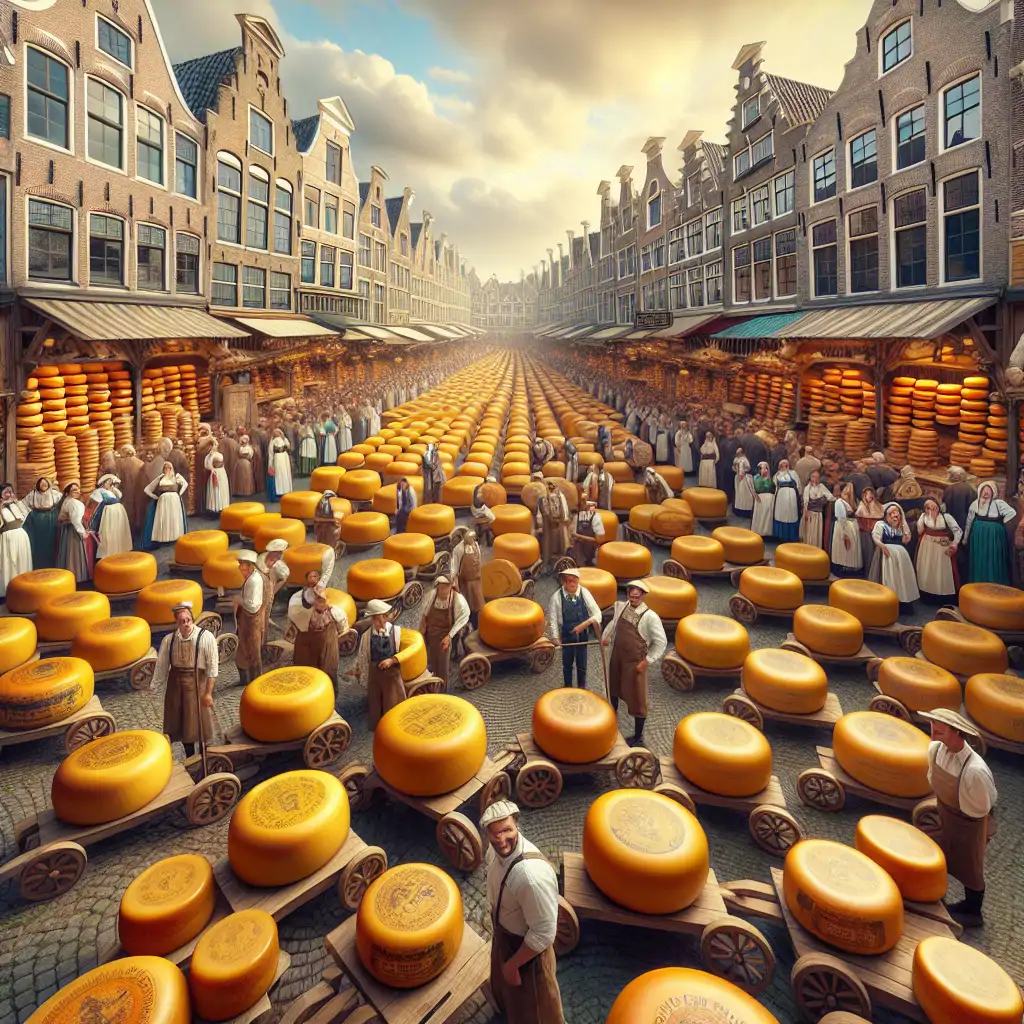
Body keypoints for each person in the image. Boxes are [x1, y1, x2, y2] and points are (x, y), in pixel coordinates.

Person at [481, 800, 564, 1024]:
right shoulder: (494, 850)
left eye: (507, 830)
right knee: (513, 998)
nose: (501, 840)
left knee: (536, 1008)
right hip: (506, 939)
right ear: (487, 833)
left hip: (527, 956)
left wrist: (512, 965)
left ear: (517, 825)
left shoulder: (530, 877)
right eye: (494, 833)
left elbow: (544, 933)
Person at [921, 709, 997, 928]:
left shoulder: (975, 770)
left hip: (970, 824)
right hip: (945, 814)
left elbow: (986, 804)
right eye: (932, 730)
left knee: (970, 865)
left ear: (957, 734)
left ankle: (973, 912)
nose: (933, 737)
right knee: (939, 849)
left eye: (940, 733)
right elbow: (932, 778)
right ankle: (934, 892)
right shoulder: (935, 750)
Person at [152, 601, 220, 760]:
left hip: (198, 685)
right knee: (183, 726)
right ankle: (190, 758)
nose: (186, 624)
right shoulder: (169, 641)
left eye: (188, 620)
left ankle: (205, 755)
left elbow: (212, 668)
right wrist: (154, 685)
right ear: (177, 622)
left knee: (201, 725)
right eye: (182, 621)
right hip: (176, 688)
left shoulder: (205, 638)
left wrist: (208, 693)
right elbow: (162, 665)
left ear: (192, 619)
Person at [602, 580, 667, 745]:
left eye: (637, 597)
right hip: (617, 657)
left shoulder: (650, 617)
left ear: (643, 596)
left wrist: (647, 661)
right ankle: (611, 721)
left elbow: (661, 642)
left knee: (638, 699)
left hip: (635, 663)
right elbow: (614, 623)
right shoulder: (623, 606)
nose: (633, 599)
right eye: (631, 596)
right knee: (614, 688)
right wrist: (606, 637)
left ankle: (638, 737)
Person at [346, 599, 407, 728]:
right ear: (372, 619)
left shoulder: (396, 631)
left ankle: (394, 724)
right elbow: (363, 656)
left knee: (393, 700)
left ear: (386, 617)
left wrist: (393, 661)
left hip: (392, 675)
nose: (380, 622)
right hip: (375, 673)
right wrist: (362, 675)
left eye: (383, 618)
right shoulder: (367, 636)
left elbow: (402, 652)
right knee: (375, 701)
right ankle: (378, 725)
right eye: (376, 619)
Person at [547, 566, 602, 689]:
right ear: (564, 582)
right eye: (569, 580)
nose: (573, 583)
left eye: (575, 580)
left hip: (582, 635)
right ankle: (568, 687)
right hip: (567, 635)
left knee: (582, 664)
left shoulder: (585, 593)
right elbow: (553, 619)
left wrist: (584, 625)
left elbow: (598, 614)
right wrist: (555, 637)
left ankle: (581, 687)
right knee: (567, 664)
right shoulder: (556, 597)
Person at [288, 575, 347, 678]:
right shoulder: (302, 612)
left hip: (327, 648)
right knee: (305, 673)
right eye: (316, 598)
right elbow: (292, 629)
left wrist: (340, 639)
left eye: (321, 599)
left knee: (328, 672)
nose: (318, 602)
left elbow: (344, 630)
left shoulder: (335, 612)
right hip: (307, 648)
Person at [418, 575, 469, 687]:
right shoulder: (432, 595)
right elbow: (424, 614)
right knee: (430, 659)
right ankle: (431, 682)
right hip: (431, 635)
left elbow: (463, 617)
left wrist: (449, 637)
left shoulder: (457, 600)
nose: (441, 591)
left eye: (444, 588)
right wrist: (421, 632)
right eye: (440, 588)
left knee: (442, 664)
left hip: (444, 636)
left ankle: (443, 687)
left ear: (450, 586)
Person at [964, 480, 1016, 585]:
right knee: (980, 557)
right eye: (984, 491)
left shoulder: (999, 503)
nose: (986, 493)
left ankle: (994, 582)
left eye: (988, 491)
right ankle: (979, 582)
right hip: (979, 535)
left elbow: (1012, 512)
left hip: (994, 535)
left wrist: (1002, 523)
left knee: (993, 558)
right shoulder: (975, 504)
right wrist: (965, 538)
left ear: (993, 492)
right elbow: (969, 521)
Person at [870, 502, 920, 610]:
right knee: (888, 577)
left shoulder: (900, 527)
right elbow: (875, 536)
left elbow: (906, 540)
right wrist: (882, 546)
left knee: (901, 578)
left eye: (896, 514)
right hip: (886, 555)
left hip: (900, 557)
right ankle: (886, 601)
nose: (894, 516)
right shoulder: (880, 525)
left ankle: (902, 601)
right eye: (891, 513)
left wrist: (902, 523)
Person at [234, 551, 273, 685]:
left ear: (250, 566)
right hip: (247, 622)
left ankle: (255, 682)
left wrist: (239, 601)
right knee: (245, 652)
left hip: (252, 622)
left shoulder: (254, 581)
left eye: (242, 566)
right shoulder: (252, 578)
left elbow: (253, 606)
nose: (240, 568)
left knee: (252, 652)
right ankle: (246, 680)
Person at [914, 497, 962, 602]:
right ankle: (927, 595)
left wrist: (954, 544)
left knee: (942, 569)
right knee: (928, 568)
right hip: (927, 546)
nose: (931, 508)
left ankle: (944, 596)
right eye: (928, 507)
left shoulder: (946, 517)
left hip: (942, 546)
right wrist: (927, 519)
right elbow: (920, 531)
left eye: (933, 506)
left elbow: (957, 531)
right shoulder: (923, 517)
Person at [142, 461, 188, 548]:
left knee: (173, 517)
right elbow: (147, 489)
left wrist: (179, 494)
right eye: (165, 468)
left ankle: (175, 535)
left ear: (171, 468)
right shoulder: (160, 478)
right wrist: (154, 496)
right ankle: (164, 537)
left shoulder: (176, 477)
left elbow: (185, 484)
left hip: (174, 501)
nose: (167, 469)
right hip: (163, 501)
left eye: (169, 468)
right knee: (164, 517)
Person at [56, 481, 95, 582]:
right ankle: (77, 576)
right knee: (74, 553)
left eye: (78, 489)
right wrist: (82, 533)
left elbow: (61, 517)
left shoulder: (66, 501)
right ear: (68, 492)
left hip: (67, 530)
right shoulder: (74, 503)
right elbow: (76, 521)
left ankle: (67, 576)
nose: (78, 491)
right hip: (73, 531)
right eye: (74, 490)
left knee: (67, 552)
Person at [88, 474, 133, 559]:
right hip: (109, 514)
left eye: (111, 482)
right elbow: (94, 502)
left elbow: (119, 495)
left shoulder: (113, 491)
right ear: (104, 483)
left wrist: (113, 487)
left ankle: (119, 551)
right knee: (109, 532)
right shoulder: (99, 491)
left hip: (118, 513)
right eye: (108, 482)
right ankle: (109, 553)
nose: (110, 483)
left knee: (118, 531)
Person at [0, 483, 32, 596]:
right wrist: (1, 505)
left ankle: (23, 587)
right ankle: (8, 589)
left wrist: (16, 501)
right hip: (8, 537)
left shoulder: (15, 504)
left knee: (21, 561)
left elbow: (26, 513)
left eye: (10, 491)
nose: (8, 494)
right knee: (10, 562)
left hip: (20, 535)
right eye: (5, 492)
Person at [23, 478, 59, 570]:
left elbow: (63, 502)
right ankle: (39, 565)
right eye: (41, 484)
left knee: (51, 543)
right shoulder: (33, 494)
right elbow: (23, 504)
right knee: (38, 543)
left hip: (50, 520)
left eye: (45, 484)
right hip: (37, 521)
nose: (43, 486)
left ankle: (51, 565)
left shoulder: (54, 493)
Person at [451, 530, 485, 629]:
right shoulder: (459, 549)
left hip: (477, 580)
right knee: (467, 605)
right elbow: (454, 568)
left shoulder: (476, 545)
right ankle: (467, 624)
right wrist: (455, 581)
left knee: (478, 605)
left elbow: (479, 559)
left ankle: (477, 626)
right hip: (466, 583)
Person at [535, 480, 571, 574]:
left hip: (560, 523)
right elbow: (541, 513)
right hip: (547, 524)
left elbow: (564, 510)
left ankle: (562, 564)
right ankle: (547, 564)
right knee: (548, 543)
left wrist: (564, 519)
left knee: (562, 543)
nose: (551, 488)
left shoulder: (560, 496)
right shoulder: (542, 497)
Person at [830, 482, 862, 576]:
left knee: (850, 549)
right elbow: (841, 518)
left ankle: (850, 568)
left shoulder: (853, 502)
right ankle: (842, 567)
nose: (847, 491)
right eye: (845, 488)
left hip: (851, 526)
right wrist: (844, 533)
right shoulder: (839, 502)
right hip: (843, 527)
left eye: (849, 489)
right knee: (844, 547)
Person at [801, 469, 832, 550]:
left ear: (819, 478)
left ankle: (816, 549)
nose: (814, 479)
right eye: (812, 477)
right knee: (809, 532)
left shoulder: (822, 487)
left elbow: (830, 497)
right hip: (810, 513)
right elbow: (805, 502)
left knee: (816, 533)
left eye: (816, 477)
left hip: (818, 514)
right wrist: (806, 513)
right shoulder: (808, 488)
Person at [569, 499, 605, 567]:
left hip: (591, 550)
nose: (587, 509)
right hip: (578, 549)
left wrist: (578, 536)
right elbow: (571, 536)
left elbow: (599, 540)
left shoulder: (596, 518)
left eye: (590, 506)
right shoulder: (576, 517)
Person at [266, 429, 293, 501]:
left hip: (284, 458)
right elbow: (271, 453)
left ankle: (285, 490)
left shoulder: (284, 439)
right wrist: (270, 464)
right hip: (279, 458)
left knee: (284, 473)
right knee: (279, 474)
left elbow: (288, 447)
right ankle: (281, 490)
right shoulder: (273, 441)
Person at [750, 462, 775, 538]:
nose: (764, 470)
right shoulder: (756, 478)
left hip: (769, 499)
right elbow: (755, 488)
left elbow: (773, 488)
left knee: (767, 516)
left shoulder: (771, 479)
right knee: (760, 515)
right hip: (760, 499)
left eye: (766, 468)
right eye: (762, 468)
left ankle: (767, 532)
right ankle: (759, 531)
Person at [205, 452, 231, 516]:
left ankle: (223, 506)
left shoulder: (219, 454)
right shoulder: (210, 456)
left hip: (222, 473)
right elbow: (207, 466)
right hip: (215, 473)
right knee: (215, 490)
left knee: (222, 489)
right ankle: (215, 507)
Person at [732, 448, 753, 519]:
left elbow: (748, 467)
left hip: (745, 478)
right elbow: (734, 467)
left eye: (739, 453)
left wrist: (743, 472)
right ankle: (738, 509)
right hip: (738, 478)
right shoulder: (736, 460)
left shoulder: (744, 460)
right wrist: (736, 470)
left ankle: (746, 511)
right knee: (739, 494)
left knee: (745, 494)